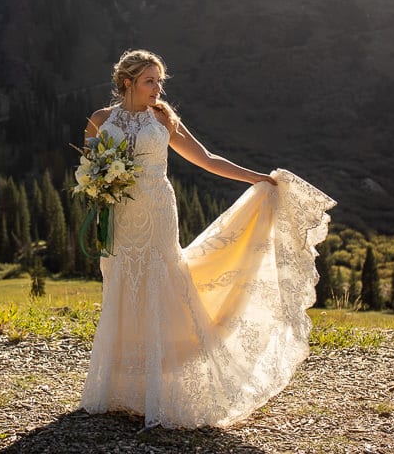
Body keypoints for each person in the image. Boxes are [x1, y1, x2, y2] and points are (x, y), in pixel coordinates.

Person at [79, 48, 335, 429]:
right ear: (127, 82)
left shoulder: (163, 119)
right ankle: (122, 389)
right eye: (150, 81)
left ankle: (166, 389)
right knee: (122, 283)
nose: (157, 88)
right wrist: (97, 190)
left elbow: (207, 158)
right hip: (120, 215)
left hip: (157, 211)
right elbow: (88, 167)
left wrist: (257, 179)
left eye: (159, 81)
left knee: (161, 284)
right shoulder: (100, 120)